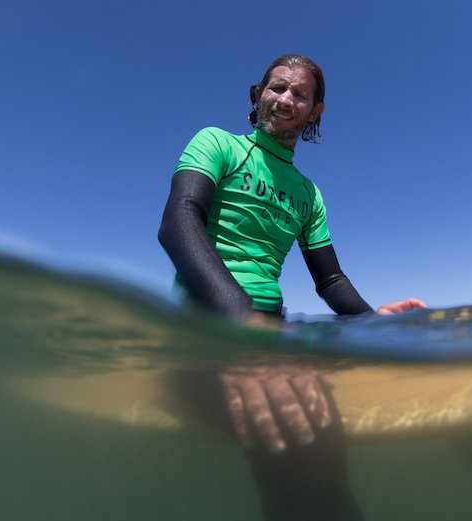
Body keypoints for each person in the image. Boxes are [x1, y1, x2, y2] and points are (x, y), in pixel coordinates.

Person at [158, 54, 425, 521]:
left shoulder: (309, 193)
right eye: (277, 87)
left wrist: (370, 322)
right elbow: (179, 221)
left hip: (272, 329)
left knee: (328, 468)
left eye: (299, 94)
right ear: (257, 93)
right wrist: (245, 325)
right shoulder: (217, 143)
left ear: (315, 111)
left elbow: (331, 280)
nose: (285, 99)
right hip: (206, 327)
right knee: (295, 467)